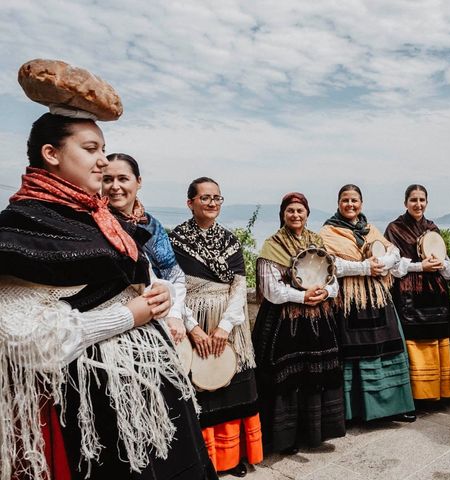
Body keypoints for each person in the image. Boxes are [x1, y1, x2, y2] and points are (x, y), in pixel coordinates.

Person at [0, 113, 216, 479]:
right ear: (51, 153)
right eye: (90, 149)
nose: (103, 159)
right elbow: (25, 341)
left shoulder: (97, 217)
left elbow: (128, 281)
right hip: (97, 408)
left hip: (149, 397)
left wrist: (156, 294)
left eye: (103, 148)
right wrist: (129, 316)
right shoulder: (19, 227)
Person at [169, 177, 263, 477]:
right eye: (205, 198)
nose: (211, 203)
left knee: (234, 388)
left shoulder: (231, 241)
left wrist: (224, 326)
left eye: (217, 198)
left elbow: (239, 286)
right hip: (192, 318)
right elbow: (174, 287)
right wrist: (193, 328)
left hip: (229, 323)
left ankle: (233, 457)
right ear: (190, 203)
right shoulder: (176, 241)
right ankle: (203, 459)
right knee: (199, 391)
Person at [253, 192, 345, 454]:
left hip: (318, 320)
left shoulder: (317, 241)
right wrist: (303, 296)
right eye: (290, 210)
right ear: (283, 214)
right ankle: (286, 438)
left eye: (300, 211)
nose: (295, 215)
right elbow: (272, 291)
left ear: (307, 214)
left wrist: (325, 293)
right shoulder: (272, 245)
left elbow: (333, 280)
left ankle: (315, 432)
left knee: (315, 374)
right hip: (285, 323)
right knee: (289, 377)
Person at [320, 184, 415, 422]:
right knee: (354, 353)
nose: (350, 205)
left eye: (354, 200)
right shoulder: (328, 232)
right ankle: (355, 410)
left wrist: (383, 262)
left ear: (361, 203)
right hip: (350, 301)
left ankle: (394, 405)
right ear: (338, 203)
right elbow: (329, 264)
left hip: (379, 297)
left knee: (389, 347)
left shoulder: (370, 228)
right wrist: (364, 268)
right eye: (345, 200)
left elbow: (393, 252)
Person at [103, 153, 187, 344]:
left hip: (157, 317)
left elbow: (174, 276)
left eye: (123, 178)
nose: (115, 187)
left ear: (138, 182)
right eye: (107, 179)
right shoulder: (94, 222)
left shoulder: (152, 226)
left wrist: (175, 314)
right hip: (112, 323)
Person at [384, 184, 450, 404]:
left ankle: (438, 392)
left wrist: (441, 264)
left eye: (422, 200)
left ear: (427, 202)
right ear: (405, 202)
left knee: (437, 339)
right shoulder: (394, 228)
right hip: (408, 295)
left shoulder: (433, 229)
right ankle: (415, 395)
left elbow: (449, 270)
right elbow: (394, 268)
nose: (418, 204)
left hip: (436, 294)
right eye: (413, 200)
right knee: (413, 342)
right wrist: (419, 266)